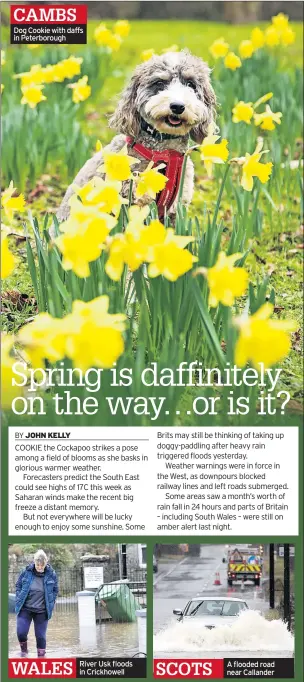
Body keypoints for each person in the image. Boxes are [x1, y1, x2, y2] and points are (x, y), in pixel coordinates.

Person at [15, 549, 58, 657]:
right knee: (21, 632)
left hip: (42, 611)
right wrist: (18, 597)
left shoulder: (51, 574)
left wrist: (51, 602)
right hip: (25, 608)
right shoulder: (26, 572)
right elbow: (18, 585)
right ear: (34, 562)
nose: (39, 567)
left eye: (42, 565)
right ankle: (24, 653)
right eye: (37, 565)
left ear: (46, 563)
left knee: (41, 637)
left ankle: (41, 658)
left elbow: (55, 590)